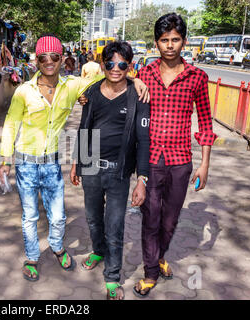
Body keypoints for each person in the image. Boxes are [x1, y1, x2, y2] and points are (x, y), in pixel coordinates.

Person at [0, 33, 149, 282]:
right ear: (37, 60)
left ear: (61, 59)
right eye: (43, 57)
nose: (48, 61)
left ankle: (57, 247)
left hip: (52, 164)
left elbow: (109, 76)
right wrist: (4, 159)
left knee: (58, 216)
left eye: (54, 56)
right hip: (25, 164)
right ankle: (32, 258)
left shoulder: (72, 86)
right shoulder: (24, 91)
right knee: (30, 216)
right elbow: (11, 124)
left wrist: (136, 80)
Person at [132, 13, 217, 298]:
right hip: (151, 159)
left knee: (170, 219)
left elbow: (205, 122)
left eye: (175, 40)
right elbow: (116, 83)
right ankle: (150, 272)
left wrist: (204, 164)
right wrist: (133, 80)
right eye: (164, 40)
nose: (170, 45)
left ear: (184, 42)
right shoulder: (145, 74)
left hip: (181, 161)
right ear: (156, 43)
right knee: (150, 216)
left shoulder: (197, 77)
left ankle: (159, 255)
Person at [70, 41, 150, 300]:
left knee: (114, 225)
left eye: (123, 64)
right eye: (111, 63)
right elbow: (84, 127)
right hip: (90, 164)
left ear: (130, 66)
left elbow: (144, 140)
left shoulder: (137, 95)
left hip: (118, 171)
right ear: (103, 64)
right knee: (93, 218)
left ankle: (113, 277)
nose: (116, 68)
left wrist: (142, 180)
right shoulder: (92, 92)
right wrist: (75, 162)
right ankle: (98, 251)